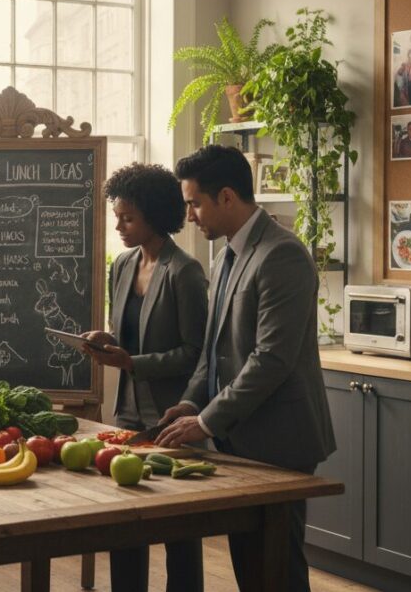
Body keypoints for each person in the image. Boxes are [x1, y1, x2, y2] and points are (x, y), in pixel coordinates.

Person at [156, 145, 336, 592]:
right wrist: (190, 402)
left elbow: (271, 359)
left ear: (228, 197)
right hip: (239, 434)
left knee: (277, 568)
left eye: (195, 203)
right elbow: (213, 348)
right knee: (249, 565)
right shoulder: (225, 256)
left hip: (280, 437)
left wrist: (206, 420)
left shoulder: (283, 255)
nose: (190, 216)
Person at [80, 163, 208, 592]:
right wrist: (106, 339)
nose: (117, 225)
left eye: (127, 217)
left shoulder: (185, 271)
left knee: (179, 535)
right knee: (125, 527)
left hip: (172, 419)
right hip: (127, 418)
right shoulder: (123, 263)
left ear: (154, 215)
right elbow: (130, 334)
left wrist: (133, 363)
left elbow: (196, 353)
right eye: (116, 215)